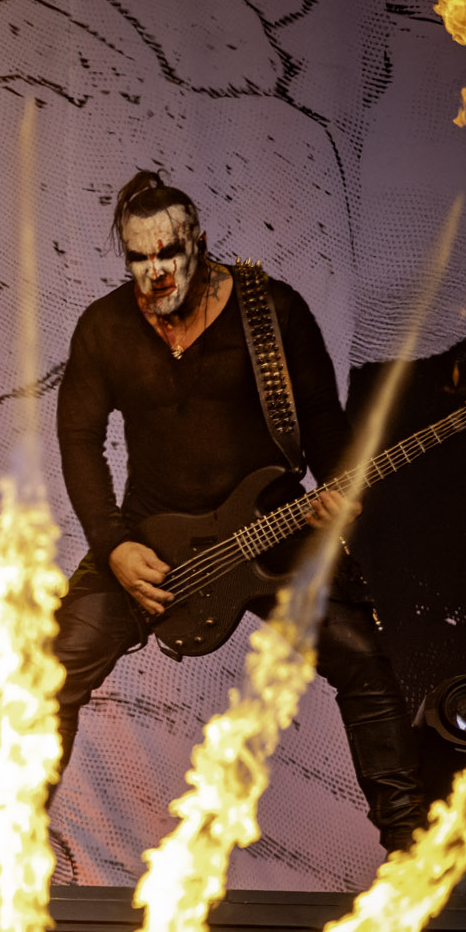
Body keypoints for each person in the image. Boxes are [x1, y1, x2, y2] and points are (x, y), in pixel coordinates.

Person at [53, 170, 427, 852]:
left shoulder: (271, 311)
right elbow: (78, 440)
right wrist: (113, 544)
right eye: (138, 258)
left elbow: (322, 417)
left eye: (169, 253)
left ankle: (410, 851)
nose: (156, 272)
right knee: (52, 673)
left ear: (198, 242)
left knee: (362, 661)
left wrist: (341, 490)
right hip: (154, 538)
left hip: (273, 526)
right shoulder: (105, 326)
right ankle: (4, 851)